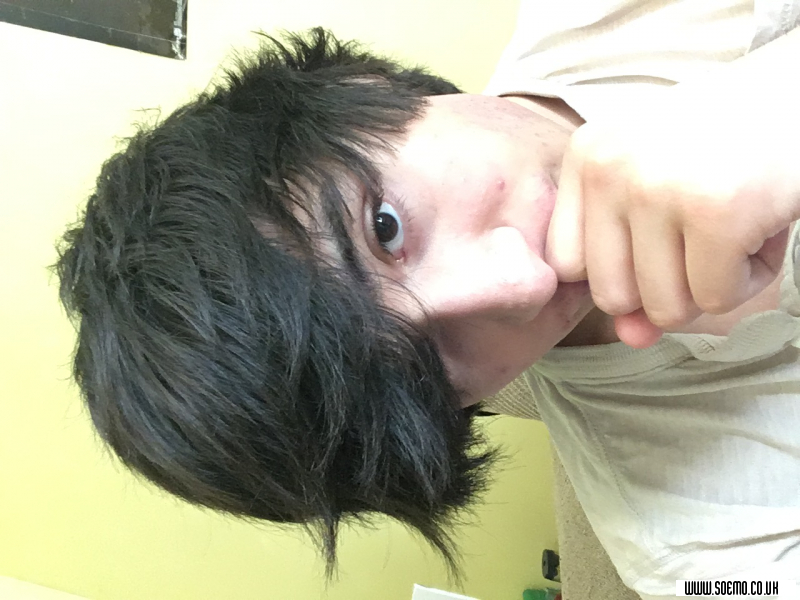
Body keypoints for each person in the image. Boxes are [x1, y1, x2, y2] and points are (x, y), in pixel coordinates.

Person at [54, 0, 800, 595]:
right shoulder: (701, 552)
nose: (522, 282)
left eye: (386, 228)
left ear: (361, 90)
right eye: (432, 371)